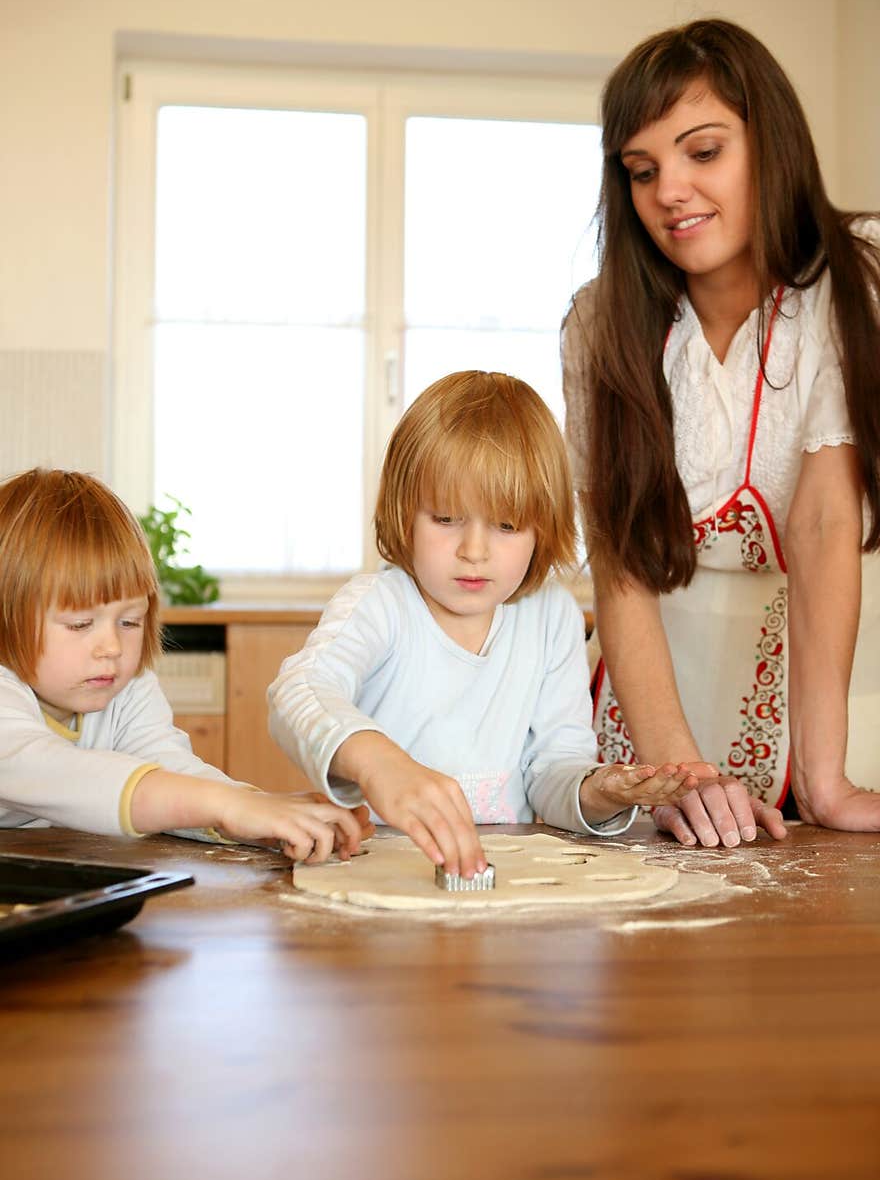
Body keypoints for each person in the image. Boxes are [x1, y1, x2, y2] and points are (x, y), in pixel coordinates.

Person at [562, 17, 880, 850]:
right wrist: (675, 769)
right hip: (650, 687)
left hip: (824, 682)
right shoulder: (601, 324)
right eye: (642, 170)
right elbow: (622, 563)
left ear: (769, 144)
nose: (669, 190)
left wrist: (825, 777)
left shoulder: (852, 285)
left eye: (703, 152)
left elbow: (822, 525)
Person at [268, 369, 699, 879]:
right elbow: (298, 691)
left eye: (507, 525)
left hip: (501, 879)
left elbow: (552, 771)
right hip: (383, 872)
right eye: (446, 517)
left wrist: (598, 791)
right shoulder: (378, 605)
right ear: (404, 512)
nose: (474, 551)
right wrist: (379, 763)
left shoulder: (550, 616)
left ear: (544, 528)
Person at [0, 468, 371, 862]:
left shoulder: (126, 686)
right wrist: (223, 805)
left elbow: (170, 772)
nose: (111, 646)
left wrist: (255, 815)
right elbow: (60, 775)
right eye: (79, 624)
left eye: (129, 622)